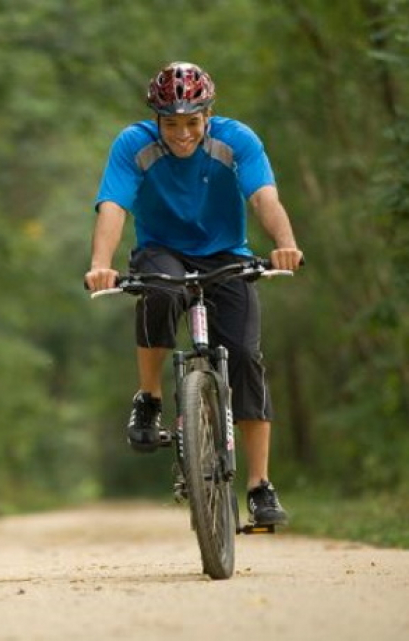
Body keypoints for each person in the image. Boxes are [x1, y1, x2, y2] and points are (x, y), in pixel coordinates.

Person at [84, 62, 303, 527]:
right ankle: (150, 398)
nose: (182, 134)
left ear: (209, 115)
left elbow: (263, 196)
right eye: (171, 123)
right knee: (158, 292)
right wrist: (100, 265)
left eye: (192, 121)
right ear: (156, 119)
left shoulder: (237, 139)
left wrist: (284, 244)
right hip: (162, 250)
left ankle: (260, 486)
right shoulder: (133, 144)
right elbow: (113, 206)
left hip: (226, 253)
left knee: (244, 355)